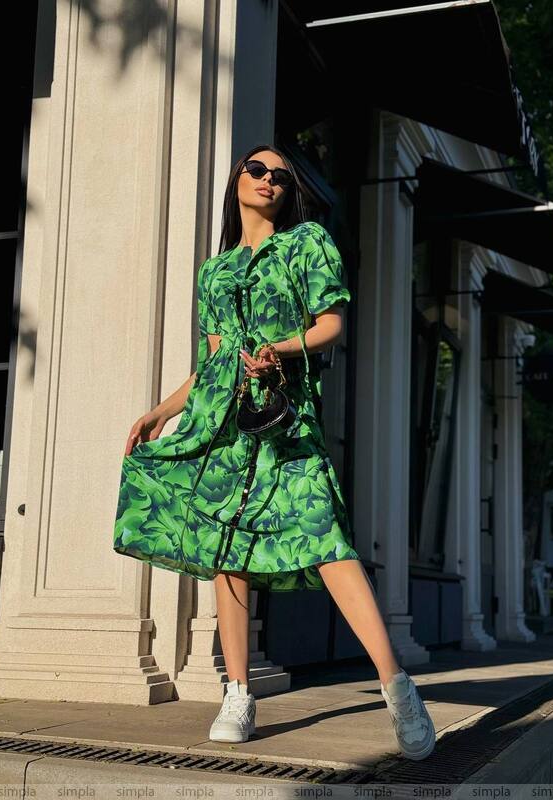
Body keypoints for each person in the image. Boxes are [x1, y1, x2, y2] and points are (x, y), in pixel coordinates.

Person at [113, 144, 436, 761]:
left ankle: (398, 689)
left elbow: (331, 323)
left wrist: (282, 348)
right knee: (226, 552)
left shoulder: (306, 243)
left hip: (286, 426)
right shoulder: (214, 271)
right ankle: (238, 692)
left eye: (281, 177)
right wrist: (161, 410)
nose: (269, 181)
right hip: (224, 427)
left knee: (329, 544)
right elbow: (213, 360)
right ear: (237, 179)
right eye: (257, 170)